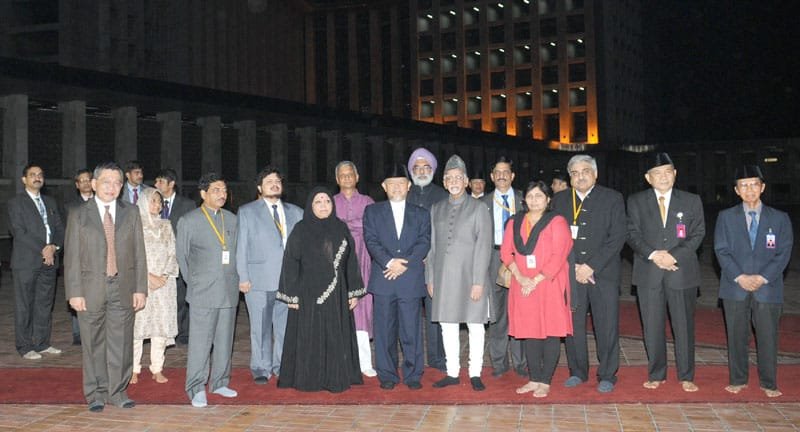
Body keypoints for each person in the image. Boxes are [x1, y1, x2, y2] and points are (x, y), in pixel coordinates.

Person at [64, 162, 147, 412]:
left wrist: (140, 288)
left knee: (121, 343)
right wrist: (74, 292)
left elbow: (139, 254)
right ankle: (96, 393)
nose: (112, 187)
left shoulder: (131, 212)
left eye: (117, 183)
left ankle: (118, 391)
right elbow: (71, 257)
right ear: (94, 184)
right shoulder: (78, 214)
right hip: (90, 290)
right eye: (106, 182)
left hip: (123, 286)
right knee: (92, 343)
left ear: (122, 187)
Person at [627, 152, 705, 392]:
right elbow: (631, 233)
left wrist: (673, 255)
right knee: (652, 326)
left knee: (683, 326)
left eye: (667, 172)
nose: (663, 177)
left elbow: (698, 233)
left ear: (675, 174)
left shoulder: (691, 200)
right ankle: (657, 373)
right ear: (648, 178)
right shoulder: (636, 200)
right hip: (649, 271)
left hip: (681, 272)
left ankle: (686, 375)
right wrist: (654, 255)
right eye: (657, 173)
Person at [714, 165, 793, 398]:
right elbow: (721, 249)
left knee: (768, 337)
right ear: (736, 190)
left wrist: (761, 277)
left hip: (768, 288)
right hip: (735, 286)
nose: (749, 190)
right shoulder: (726, 217)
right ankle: (738, 379)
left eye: (754, 184)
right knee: (736, 336)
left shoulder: (779, 218)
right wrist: (740, 277)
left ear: (763, 187)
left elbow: (784, 252)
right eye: (744, 185)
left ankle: (769, 382)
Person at [550, 154, 627, 393]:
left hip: (602, 273)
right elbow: (555, 238)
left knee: (606, 325)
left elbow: (617, 237)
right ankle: (577, 371)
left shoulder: (612, 198)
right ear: (569, 177)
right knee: (573, 326)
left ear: (595, 174)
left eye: (585, 171)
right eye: (574, 173)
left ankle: (607, 374)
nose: (580, 176)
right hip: (570, 273)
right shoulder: (560, 199)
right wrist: (571, 265)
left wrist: (590, 266)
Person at [277, 187, 365, 393]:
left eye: (327, 201)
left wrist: (353, 292)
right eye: (318, 202)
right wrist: (291, 294)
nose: (324, 205)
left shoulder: (341, 228)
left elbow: (351, 261)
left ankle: (335, 377)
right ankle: (310, 379)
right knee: (310, 334)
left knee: (335, 334)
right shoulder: (301, 229)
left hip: (337, 293)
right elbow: (290, 262)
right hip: (307, 293)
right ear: (310, 205)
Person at [501, 181, 573, 398]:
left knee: (550, 331)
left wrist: (536, 279)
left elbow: (559, 254)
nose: (534, 200)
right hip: (522, 283)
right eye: (530, 196)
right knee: (529, 331)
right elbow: (506, 253)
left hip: (549, 283)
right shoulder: (514, 222)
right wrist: (521, 277)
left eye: (539, 196)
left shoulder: (556, 221)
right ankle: (534, 379)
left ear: (548, 199)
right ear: (525, 200)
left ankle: (545, 381)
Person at [426, 155, 492, 391]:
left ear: (465, 181)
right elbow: (432, 248)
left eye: (458, 177)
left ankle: (475, 372)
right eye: (449, 178)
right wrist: (430, 279)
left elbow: (484, 247)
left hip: (471, 278)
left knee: (475, 326)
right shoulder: (436, 209)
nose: (453, 181)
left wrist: (478, 282)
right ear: (444, 182)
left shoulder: (479, 208)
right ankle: (452, 372)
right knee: (448, 325)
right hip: (444, 279)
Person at [363, 163, 431, 390]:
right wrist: (390, 262)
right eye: (391, 184)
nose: (396, 188)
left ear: (408, 185)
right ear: (384, 186)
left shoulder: (421, 213)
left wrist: (406, 264)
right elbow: (370, 240)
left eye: (401, 184)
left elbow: (424, 241)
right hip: (384, 277)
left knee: (411, 330)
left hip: (410, 279)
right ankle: (387, 374)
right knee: (384, 331)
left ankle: (413, 374)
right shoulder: (372, 211)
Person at [176, 172, 241, 407]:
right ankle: (195, 387)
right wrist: (193, 283)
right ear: (203, 194)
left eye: (224, 190)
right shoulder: (189, 221)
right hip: (203, 291)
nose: (222, 194)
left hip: (229, 290)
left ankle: (220, 381)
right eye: (216, 190)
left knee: (225, 340)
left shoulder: (232, 219)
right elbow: (182, 257)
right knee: (201, 342)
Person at [236, 166, 303, 384]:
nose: (274, 184)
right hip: (258, 279)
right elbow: (241, 247)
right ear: (259, 188)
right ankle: (261, 367)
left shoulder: (296, 212)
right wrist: (243, 277)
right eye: (268, 182)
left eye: (277, 181)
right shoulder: (247, 211)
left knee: (285, 327)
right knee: (260, 327)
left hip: (288, 280)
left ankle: (282, 365)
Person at [8, 164, 65, 360]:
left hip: (49, 262)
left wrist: (54, 247)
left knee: (44, 304)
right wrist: (44, 249)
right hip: (26, 262)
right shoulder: (16, 203)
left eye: (40, 174)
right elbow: (19, 232)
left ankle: (42, 343)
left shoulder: (50, 201)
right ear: (24, 179)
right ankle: (24, 346)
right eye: (32, 175)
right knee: (25, 305)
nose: (37, 177)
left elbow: (59, 228)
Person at [480, 156, 527, 379]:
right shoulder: (482, 204)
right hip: (493, 257)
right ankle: (499, 362)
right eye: (497, 172)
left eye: (505, 172)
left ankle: (521, 361)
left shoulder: (524, 200)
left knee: (520, 310)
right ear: (492, 177)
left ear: (512, 175)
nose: (501, 176)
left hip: (519, 258)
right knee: (496, 314)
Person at [130, 188, 178, 385]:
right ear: (143, 202)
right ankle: (133, 368)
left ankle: (157, 368)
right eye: (153, 201)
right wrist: (147, 276)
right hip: (141, 282)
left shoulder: (166, 225)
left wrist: (164, 276)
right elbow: (131, 256)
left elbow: (172, 252)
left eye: (159, 202)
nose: (157, 205)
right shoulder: (133, 225)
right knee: (137, 327)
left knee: (160, 326)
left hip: (164, 285)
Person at [406, 147, 448, 373]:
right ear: (411, 171)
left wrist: (430, 255)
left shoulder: (443, 195)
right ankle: (413, 359)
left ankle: (437, 358)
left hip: (435, 264)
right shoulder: (405, 193)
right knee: (410, 314)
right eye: (417, 167)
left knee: (435, 314)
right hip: (409, 266)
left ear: (433, 169)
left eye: (426, 167)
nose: (422, 171)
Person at [334, 161, 377, 377]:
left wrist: (346, 225)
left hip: (364, 263)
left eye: (350, 174)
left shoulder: (368, 202)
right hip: (337, 266)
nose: (347, 178)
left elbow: (373, 228)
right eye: (342, 175)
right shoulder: (330, 202)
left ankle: (364, 362)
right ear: (337, 179)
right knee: (338, 310)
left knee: (362, 311)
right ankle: (340, 361)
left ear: (357, 176)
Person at [154, 168, 196, 345]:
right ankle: (164, 333)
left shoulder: (187, 205)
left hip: (180, 260)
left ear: (171, 184)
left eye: (160, 182)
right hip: (157, 263)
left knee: (181, 299)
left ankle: (183, 334)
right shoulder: (152, 203)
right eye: (155, 182)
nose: (156, 185)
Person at [64, 168, 94, 345]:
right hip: (79, 257)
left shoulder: (103, 203)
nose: (85, 183)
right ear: (77, 185)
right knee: (78, 292)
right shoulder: (70, 206)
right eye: (81, 180)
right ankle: (78, 334)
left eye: (88, 179)